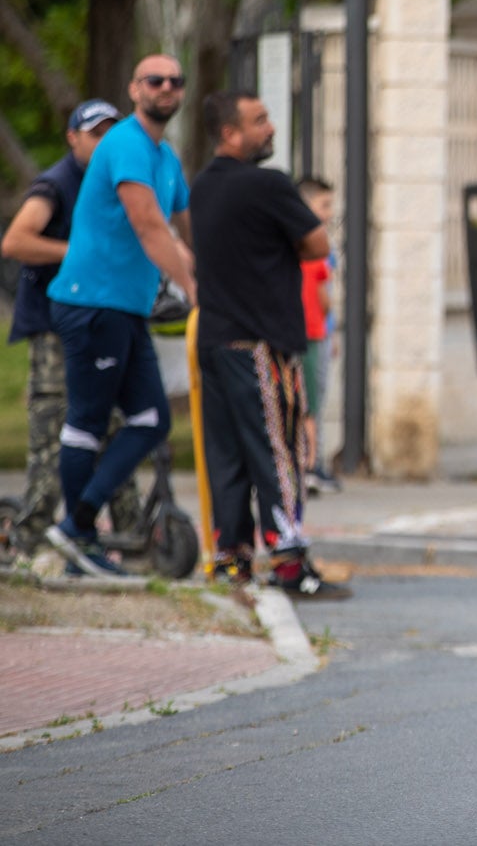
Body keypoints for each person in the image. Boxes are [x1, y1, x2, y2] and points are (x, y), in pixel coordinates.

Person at [42, 55, 199, 578]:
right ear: (135, 89)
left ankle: (77, 526)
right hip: (92, 301)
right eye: (155, 80)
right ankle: (78, 538)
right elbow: (149, 225)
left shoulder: (164, 155)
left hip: (126, 308)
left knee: (152, 419)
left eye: (175, 81)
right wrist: (193, 288)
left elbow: (185, 224)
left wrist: (209, 269)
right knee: (87, 423)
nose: (166, 87)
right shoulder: (125, 143)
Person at [190, 92, 346, 598]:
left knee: (227, 453)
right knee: (278, 448)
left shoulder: (202, 187)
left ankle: (231, 560)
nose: (270, 128)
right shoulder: (268, 184)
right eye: (259, 121)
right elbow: (317, 243)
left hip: (215, 339)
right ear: (230, 133)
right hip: (259, 341)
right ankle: (289, 561)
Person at [1, 100, 142, 563]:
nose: (104, 143)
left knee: (115, 425)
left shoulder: (119, 181)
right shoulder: (58, 183)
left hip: (104, 322)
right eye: (95, 134)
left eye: (111, 134)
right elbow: (16, 240)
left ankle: (132, 536)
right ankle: (28, 541)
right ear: (73, 138)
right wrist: (78, 251)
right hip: (56, 329)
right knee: (55, 431)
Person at [296, 176, 340, 494]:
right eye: (324, 205)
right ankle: (311, 464)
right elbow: (323, 294)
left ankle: (309, 462)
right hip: (311, 332)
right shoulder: (312, 247)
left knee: (309, 400)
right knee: (311, 402)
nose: (329, 212)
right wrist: (327, 317)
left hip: (316, 332)